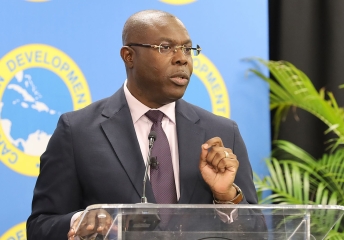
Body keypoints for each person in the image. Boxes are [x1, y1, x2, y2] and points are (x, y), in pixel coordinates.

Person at [26, 9, 259, 240]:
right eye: (165, 47)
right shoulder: (77, 131)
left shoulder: (222, 132)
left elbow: (256, 233)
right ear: (129, 56)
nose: (182, 58)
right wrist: (80, 221)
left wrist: (226, 196)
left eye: (188, 49)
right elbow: (40, 226)